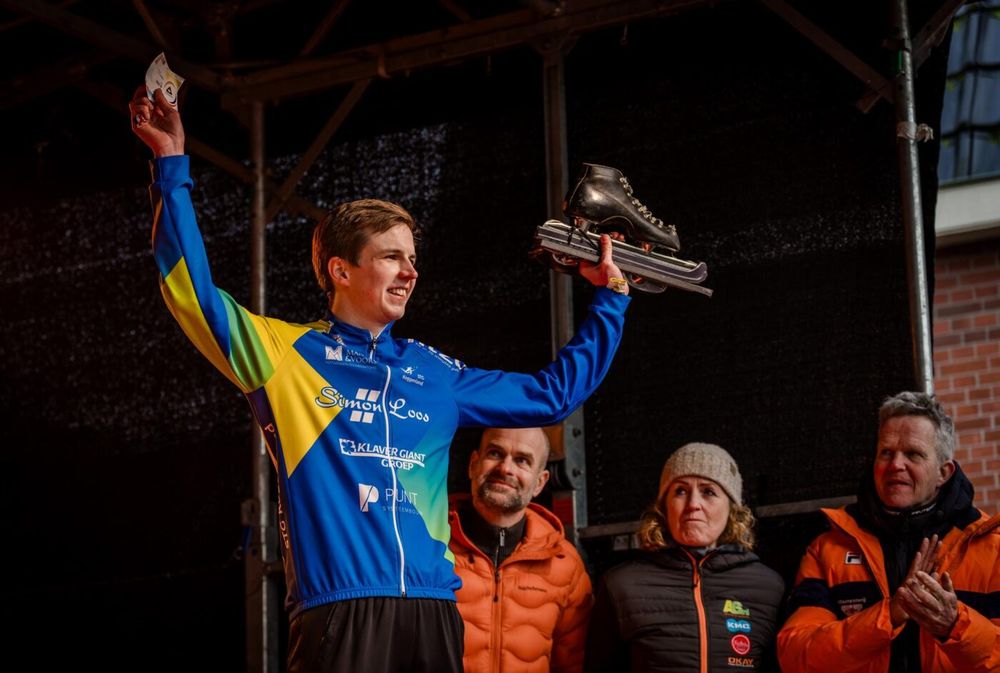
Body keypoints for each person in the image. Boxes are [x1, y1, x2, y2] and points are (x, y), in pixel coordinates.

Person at [130, 87, 631, 673]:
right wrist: (171, 163)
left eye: (413, 259)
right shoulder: (283, 354)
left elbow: (553, 395)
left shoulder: (435, 373)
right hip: (339, 611)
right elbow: (190, 290)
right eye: (392, 256)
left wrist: (611, 297)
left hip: (433, 611)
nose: (411, 271)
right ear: (341, 271)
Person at [778, 391, 1000, 673]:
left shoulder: (993, 550)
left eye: (913, 454)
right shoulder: (828, 549)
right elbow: (795, 658)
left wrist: (954, 625)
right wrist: (889, 614)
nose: (895, 465)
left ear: (943, 473)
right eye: (886, 452)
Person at [585, 443, 784, 672]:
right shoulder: (620, 585)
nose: (693, 505)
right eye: (680, 491)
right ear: (664, 507)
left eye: (708, 491)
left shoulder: (768, 587)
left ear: (732, 509)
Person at [449, 427, 592, 673]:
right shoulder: (427, 546)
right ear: (473, 464)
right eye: (495, 453)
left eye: (522, 460)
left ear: (539, 482)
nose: (505, 468)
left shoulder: (565, 564)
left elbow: (573, 664)